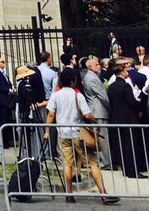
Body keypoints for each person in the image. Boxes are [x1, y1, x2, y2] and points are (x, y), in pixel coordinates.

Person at [45, 69, 119, 205]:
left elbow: (51, 114)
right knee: (92, 162)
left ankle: (69, 193)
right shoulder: (78, 96)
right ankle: (102, 192)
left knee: (67, 163)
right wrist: (96, 122)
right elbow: (87, 114)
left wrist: (47, 131)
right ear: (73, 80)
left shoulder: (56, 95)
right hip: (78, 133)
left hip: (63, 133)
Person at [108, 58, 148, 178]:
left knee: (121, 146)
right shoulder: (125, 86)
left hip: (116, 117)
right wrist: (140, 101)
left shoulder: (111, 86)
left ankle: (126, 169)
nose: (127, 73)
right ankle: (132, 171)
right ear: (121, 73)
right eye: (126, 71)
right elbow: (131, 102)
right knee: (130, 145)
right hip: (127, 118)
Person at [82, 56, 113, 170]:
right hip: (99, 110)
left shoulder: (91, 76)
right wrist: (110, 108)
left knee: (100, 138)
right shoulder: (92, 78)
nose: (99, 66)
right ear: (89, 66)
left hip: (96, 110)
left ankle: (104, 161)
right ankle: (106, 162)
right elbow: (102, 96)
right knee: (102, 138)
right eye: (96, 65)